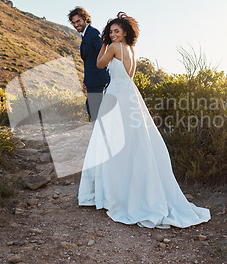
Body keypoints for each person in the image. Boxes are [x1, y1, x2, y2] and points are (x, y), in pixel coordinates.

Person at [78, 12, 211, 228]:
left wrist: (103, 44)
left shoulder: (112, 48)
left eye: (116, 32)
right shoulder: (132, 50)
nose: (112, 35)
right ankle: (132, 189)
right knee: (134, 141)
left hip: (116, 96)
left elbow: (100, 65)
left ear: (125, 33)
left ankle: (113, 193)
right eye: (110, 32)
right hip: (130, 96)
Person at [68, 7, 110, 122]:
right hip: (92, 81)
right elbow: (89, 61)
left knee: (96, 114)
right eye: (73, 22)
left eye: (78, 21)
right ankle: (100, 137)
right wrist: (86, 80)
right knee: (93, 111)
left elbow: (103, 53)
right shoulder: (85, 35)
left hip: (98, 80)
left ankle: (101, 138)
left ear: (85, 19)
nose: (76, 25)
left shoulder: (93, 33)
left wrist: (102, 71)